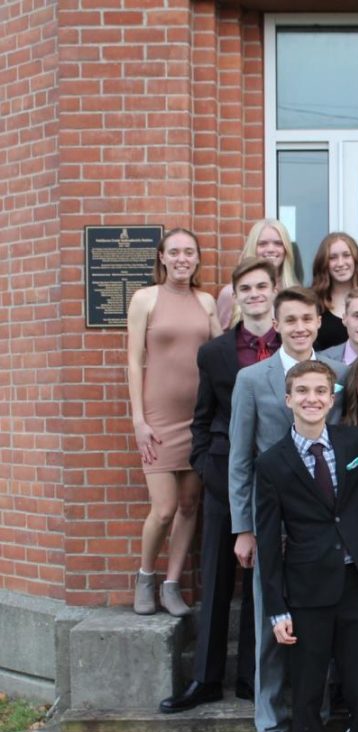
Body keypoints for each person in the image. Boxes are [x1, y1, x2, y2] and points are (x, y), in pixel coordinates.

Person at [255, 360, 358, 732]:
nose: (312, 398)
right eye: (302, 391)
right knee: (307, 696)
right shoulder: (272, 463)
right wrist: (276, 609)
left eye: (320, 391)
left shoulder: (354, 444)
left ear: (332, 398)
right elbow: (268, 543)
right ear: (288, 400)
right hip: (307, 593)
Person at [228, 287, 347, 732]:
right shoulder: (252, 379)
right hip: (272, 527)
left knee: (320, 635)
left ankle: (312, 731)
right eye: (290, 320)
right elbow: (239, 458)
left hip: (323, 530)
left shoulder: (336, 375)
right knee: (270, 633)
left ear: (320, 322)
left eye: (307, 319)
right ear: (275, 323)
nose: (300, 327)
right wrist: (243, 528)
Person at [158, 258, 280, 713]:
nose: (254, 294)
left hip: (277, 480)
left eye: (261, 286)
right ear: (236, 295)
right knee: (216, 576)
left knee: (262, 578)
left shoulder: (293, 345)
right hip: (223, 473)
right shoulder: (215, 353)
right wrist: (203, 465)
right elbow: (203, 418)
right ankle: (206, 679)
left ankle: (252, 676)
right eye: (245, 287)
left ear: (274, 290)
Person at [127, 227, 221, 616]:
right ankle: (146, 576)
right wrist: (139, 420)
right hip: (159, 420)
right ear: (162, 258)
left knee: (188, 505)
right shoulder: (145, 298)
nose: (183, 258)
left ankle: (171, 586)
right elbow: (134, 360)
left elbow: (221, 352)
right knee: (163, 508)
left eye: (190, 252)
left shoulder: (207, 301)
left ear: (197, 259)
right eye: (175, 252)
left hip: (198, 420)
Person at [216, 220, 298, 331]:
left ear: (286, 249)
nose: (270, 249)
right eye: (262, 244)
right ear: (253, 247)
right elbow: (221, 342)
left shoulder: (295, 293)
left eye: (278, 243)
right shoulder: (230, 294)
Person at [310, 232, 358, 351]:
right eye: (332, 258)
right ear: (324, 263)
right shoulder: (312, 302)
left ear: (356, 259)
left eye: (346, 255)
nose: (340, 263)